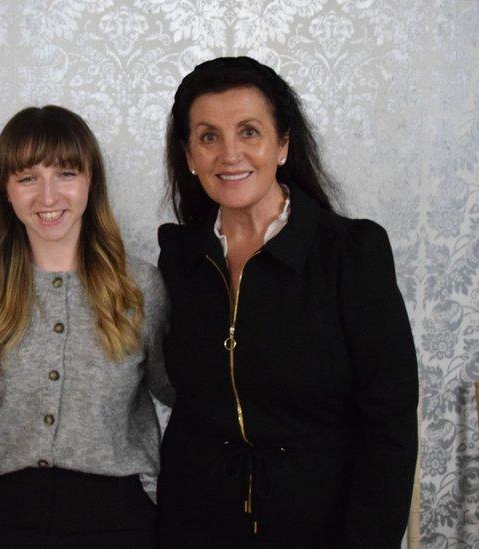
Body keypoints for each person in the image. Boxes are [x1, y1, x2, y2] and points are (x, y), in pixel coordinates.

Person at [156, 56, 418, 547]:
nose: (229, 154)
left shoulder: (351, 254)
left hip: (320, 529)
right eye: (209, 136)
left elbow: (390, 427)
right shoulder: (180, 258)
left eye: (249, 132)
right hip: (195, 526)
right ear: (189, 156)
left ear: (283, 145)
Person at [0, 105, 175, 548]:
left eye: (66, 174)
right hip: (2, 514)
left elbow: (174, 388)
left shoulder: (138, 286)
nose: (48, 197)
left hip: (116, 515)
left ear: (91, 182)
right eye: (28, 177)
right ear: (6, 191)